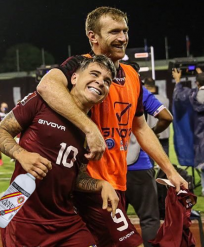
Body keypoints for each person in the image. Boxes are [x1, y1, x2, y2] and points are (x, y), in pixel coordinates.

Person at [36, 6, 188, 247]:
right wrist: (89, 128)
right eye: (114, 31)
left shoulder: (132, 75)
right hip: (85, 183)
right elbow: (46, 86)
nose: (123, 38)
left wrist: (170, 171)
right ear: (93, 36)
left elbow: (140, 128)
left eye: (125, 31)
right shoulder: (81, 66)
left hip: (117, 180)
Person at [0, 55, 119, 247]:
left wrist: (102, 185)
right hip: (24, 217)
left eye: (107, 81)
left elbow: (76, 177)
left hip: (65, 219)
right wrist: (21, 154)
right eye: (94, 74)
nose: (100, 82)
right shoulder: (41, 101)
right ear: (74, 78)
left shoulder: (91, 131)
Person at [126, 86, 173, 247]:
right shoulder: (137, 89)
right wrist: (149, 134)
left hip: (108, 168)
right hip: (139, 164)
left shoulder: (99, 87)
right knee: (149, 219)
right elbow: (166, 117)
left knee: (110, 222)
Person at [172, 68, 204, 194]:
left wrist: (178, 80)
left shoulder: (192, 95)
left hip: (199, 137)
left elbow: (179, 96)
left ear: (196, 83)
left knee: (203, 165)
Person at [144, 77, 171, 159]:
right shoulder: (165, 99)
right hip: (164, 132)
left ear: (145, 86)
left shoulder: (144, 100)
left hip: (150, 134)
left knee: (150, 162)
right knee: (165, 163)